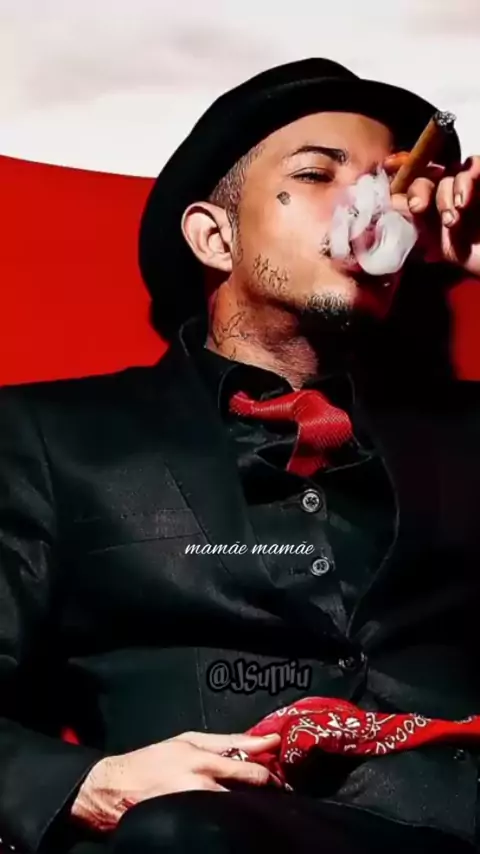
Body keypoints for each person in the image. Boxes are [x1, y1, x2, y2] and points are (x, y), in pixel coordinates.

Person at [0, 57, 479, 854]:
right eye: (317, 174)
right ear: (214, 237)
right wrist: (89, 784)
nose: (367, 207)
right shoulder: (52, 436)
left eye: (386, 185)